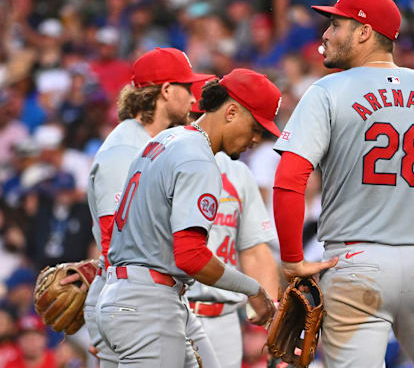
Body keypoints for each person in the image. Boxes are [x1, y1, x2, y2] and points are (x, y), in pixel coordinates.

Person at [272, 0, 414, 367]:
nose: (325, 34)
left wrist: (294, 258)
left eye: (335, 24)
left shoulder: (326, 91)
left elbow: (289, 179)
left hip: (355, 263)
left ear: (364, 32)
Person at [95, 68, 278, 368]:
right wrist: (254, 290)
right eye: (256, 127)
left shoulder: (167, 138)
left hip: (146, 296)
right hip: (147, 305)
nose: (257, 139)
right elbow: (191, 256)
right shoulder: (197, 158)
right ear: (231, 112)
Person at [82, 47, 217, 368]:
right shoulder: (124, 150)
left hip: (158, 294)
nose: (193, 98)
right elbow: (114, 239)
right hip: (130, 297)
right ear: (166, 91)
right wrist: (113, 325)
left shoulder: (156, 144)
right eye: (187, 88)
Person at [184, 80, 280, 368]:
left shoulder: (239, 173)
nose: (256, 139)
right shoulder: (170, 160)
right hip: (174, 310)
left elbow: (255, 251)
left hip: (225, 319)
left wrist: (269, 321)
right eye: (255, 129)